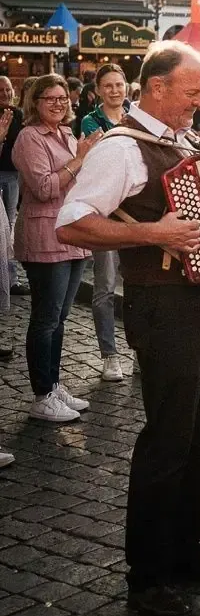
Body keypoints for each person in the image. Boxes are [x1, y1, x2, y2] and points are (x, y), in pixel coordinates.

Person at [56, 42, 200, 616]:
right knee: (169, 438)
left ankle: (185, 549)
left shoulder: (185, 142)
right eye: (192, 92)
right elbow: (71, 223)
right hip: (165, 307)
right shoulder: (121, 148)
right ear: (155, 87)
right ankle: (146, 577)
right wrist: (153, 234)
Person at [12, 75, 101, 423]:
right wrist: (79, 160)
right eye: (50, 98)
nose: (59, 103)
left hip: (72, 233)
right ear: (35, 102)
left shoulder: (66, 133)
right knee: (46, 318)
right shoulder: (29, 137)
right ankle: (41, 395)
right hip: (45, 236)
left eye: (63, 98)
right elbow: (45, 187)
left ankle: (53, 384)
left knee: (60, 318)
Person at [81, 63, 131, 381]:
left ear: (127, 87)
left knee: (139, 285)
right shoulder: (91, 121)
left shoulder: (136, 114)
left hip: (137, 213)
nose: (114, 90)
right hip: (106, 213)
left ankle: (141, 349)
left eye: (119, 84)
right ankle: (109, 355)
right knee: (105, 288)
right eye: (108, 86)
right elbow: (101, 160)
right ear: (98, 90)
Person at [0, 76, 24, 290]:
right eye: (1, 90)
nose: (5, 94)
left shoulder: (18, 114)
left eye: (8, 89)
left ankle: (10, 277)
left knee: (9, 225)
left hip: (13, 175)